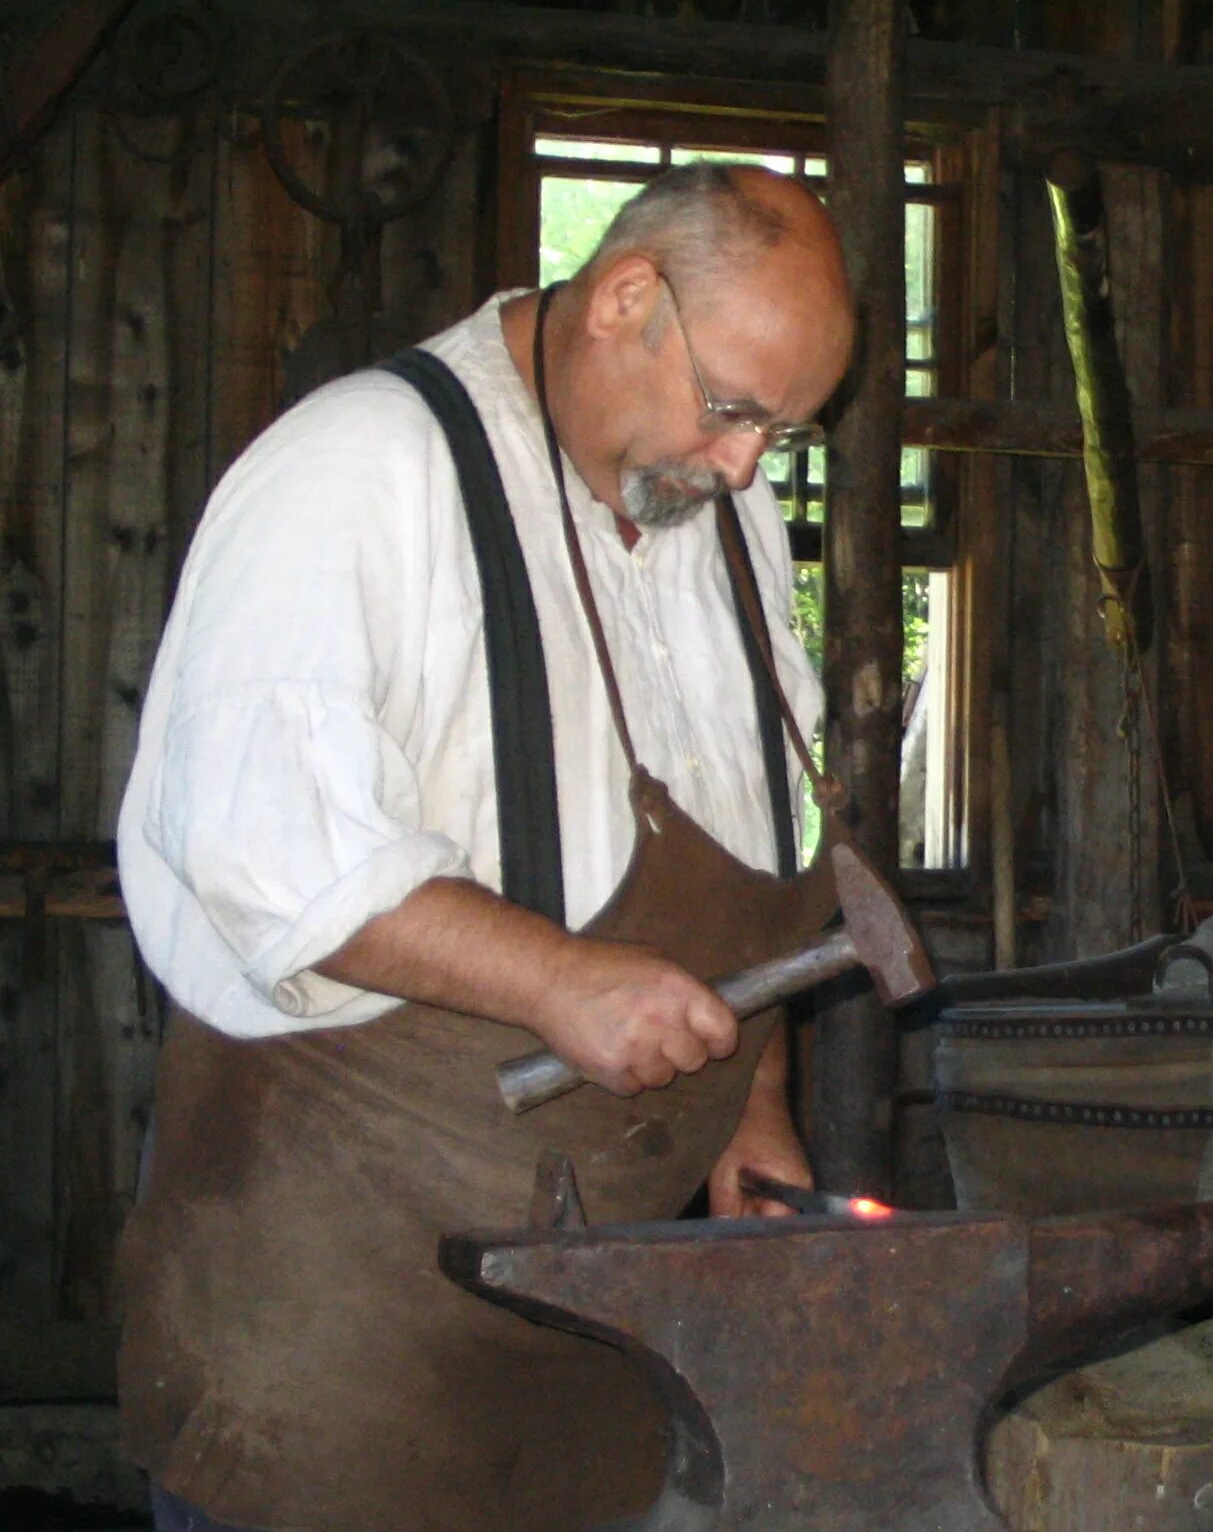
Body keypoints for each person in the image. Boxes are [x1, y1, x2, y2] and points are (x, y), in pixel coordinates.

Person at [113, 164, 857, 1532]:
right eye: (736, 410)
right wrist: (555, 983)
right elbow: (258, 847)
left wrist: (747, 1114)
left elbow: (757, 851)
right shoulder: (362, 470)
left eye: (782, 433)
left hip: (589, 1362)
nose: (750, 463)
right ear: (628, 298)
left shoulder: (723, 525)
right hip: (333, 1332)